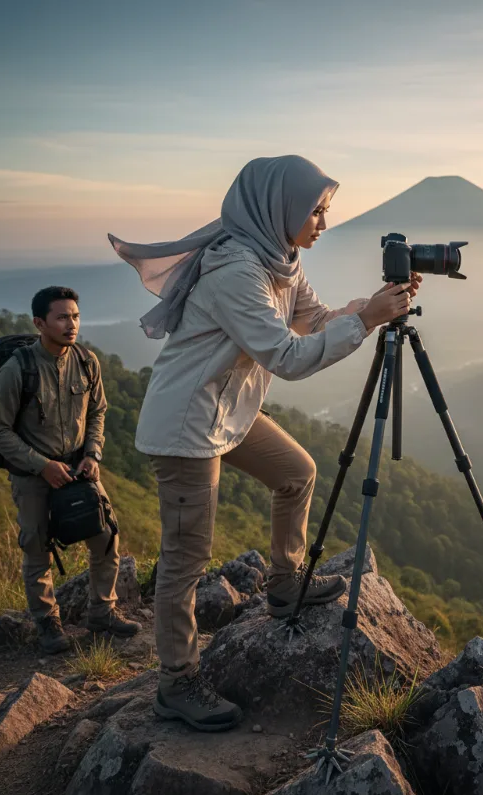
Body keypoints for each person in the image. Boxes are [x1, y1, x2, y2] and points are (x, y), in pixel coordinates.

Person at [109, 155, 420, 732]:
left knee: (296, 473)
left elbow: (313, 319)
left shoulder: (281, 259)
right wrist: (364, 322)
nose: (323, 222)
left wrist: (370, 307)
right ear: (280, 207)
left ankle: (284, 583)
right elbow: (287, 356)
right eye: (316, 211)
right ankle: (176, 682)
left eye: (324, 210)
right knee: (186, 558)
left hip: (226, 411)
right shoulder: (236, 270)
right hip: (185, 427)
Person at [0, 286, 141, 654]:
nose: (71, 324)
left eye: (75, 316)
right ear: (39, 323)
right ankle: (47, 624)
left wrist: (93, 454)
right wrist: (42, 466)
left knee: (106, 537)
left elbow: (98, 411)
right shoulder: (18, 369)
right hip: (32, 473)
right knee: (36, 545)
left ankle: (102, 614)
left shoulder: (86, 361)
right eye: (62, 317)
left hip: (79, 467)